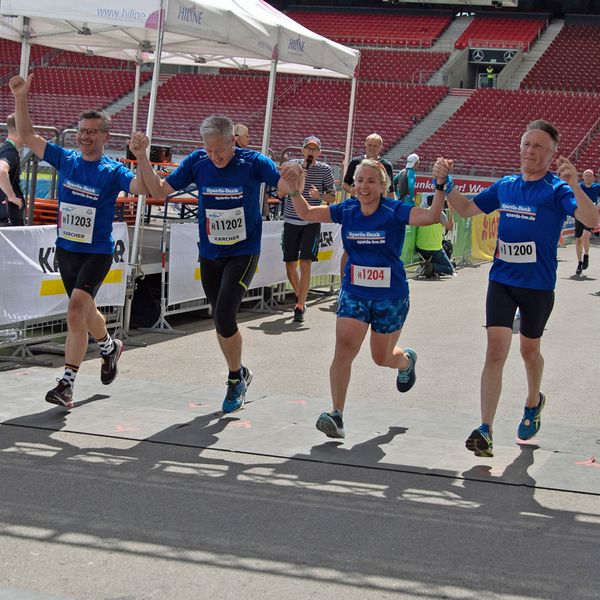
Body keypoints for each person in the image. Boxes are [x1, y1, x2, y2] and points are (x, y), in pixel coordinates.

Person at [434, 119, 600, 458]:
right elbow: (465, 210)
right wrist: (445, 182)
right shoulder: (506, 185)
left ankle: (533, 401)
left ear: (552, 154)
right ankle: (485, 429)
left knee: (528, 351)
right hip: (502, 281)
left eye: (539, 146)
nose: (530, 151)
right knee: (495, 350)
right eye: (526, 144)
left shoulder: (557, 189)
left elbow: (592, 219)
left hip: (538, 285)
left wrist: (577, 186)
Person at [129, 115, 298, 414]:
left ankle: (234, 380)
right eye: (209, 150)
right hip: (210, 252)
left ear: (233, 140)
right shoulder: (197, 162)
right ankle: (240, 370)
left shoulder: (253, 161)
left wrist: (295, 173)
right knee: (218, 318)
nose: (214, 156)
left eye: (219, 149)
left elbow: (284, 187)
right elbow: (158, 191)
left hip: (243, 251)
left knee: (224, 315)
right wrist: (142, 156)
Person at [10, 74, 146, 408]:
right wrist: (21, 96)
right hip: (66, 249)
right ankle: (109, 346)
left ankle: (66, 383)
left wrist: (141, 156)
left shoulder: (112, 170)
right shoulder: (66, 159)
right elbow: (26, 135)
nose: (85, 137)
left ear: (105, 135)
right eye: (82, 131)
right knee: (86, 312)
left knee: (74, 311)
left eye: (92, 132)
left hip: (96, 252)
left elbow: (143, 189)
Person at [288, 158, 445, 439]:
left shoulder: (394, 210)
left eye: (371, 181)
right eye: (359, 180)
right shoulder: (347, 210)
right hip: (355, 292)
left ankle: (406, 361)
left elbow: (432, 217)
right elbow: (308, 213)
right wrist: (294, 190)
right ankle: (336, 414)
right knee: (344, 350)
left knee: (381, 358)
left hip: (390, 295)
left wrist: (441, 186)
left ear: (383, 186)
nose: (363, 186)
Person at [282, 135, 336, 323]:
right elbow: (280, 188)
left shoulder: (325, 170)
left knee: (305, 263)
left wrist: (318, 194)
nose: (311, 152)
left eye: (314, 149)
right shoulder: (293, 164)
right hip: (290, 219)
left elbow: (332, 198)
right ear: (303, 150)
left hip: (311, 221)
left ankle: (300, 305)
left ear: (319, 152)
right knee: (290, 265)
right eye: (308, 148)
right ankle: (300, 293)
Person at [415, 194, 455, 277]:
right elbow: (450, 227)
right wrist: (451, 211)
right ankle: (431, 266)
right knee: (449, 269)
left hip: (420, 248)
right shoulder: (439, 213)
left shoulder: (423, 212)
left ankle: (429, 266)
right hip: (434, 248)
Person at [0, 114, 25, 226]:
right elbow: (1, 172)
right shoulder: (9, 151)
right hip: (8, 218)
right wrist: (11, 196)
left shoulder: (5, 149)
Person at [574, 168, 600, 275]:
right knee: (578, 239)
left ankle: (586, 255)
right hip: (580, 215)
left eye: (590, 175)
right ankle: (580, 262)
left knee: (585, 236)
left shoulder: (597, 187)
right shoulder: (579, 187)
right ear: (582, 177)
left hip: (591, 216)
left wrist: (597, 207)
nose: (588, 177)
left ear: (593, 178)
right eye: (586, 175)